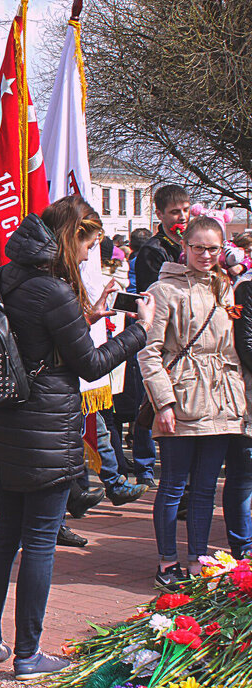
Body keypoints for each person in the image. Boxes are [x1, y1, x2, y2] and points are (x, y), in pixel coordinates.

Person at [0, 197, 151, 682]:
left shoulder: (9, 275)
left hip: (6, 420)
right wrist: (138, 332)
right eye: (90, 245)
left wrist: (84, 318)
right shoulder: (53, 290)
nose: (92, 255)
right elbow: (89, 365)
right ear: (73, 238)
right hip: (46, 426)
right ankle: (29, 654)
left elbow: (31, 339)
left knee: (4, 539)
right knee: (41, 543)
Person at [138, 214, 245, 589]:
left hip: (223, 398)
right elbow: (148, 352)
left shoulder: (224, 286)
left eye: (212, 248)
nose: (204, 254)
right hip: (183, 395)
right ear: (184, 247)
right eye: (197, 247)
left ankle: (200, 560)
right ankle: (168, 562)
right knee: (173, 486)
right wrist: (163, 403)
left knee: (204, 487)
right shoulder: (164, 290)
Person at [230, 278, 252, 560]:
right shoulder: (247, 289)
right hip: (248, 397)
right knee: (244, 475)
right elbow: (245, 344)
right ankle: (243, 549)